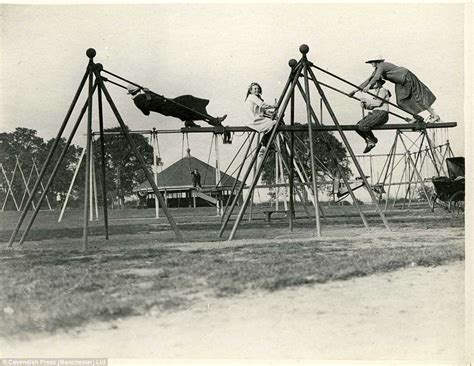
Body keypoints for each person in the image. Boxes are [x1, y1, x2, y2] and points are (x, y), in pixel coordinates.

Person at [348, 57, 441, 123]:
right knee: (401, 102)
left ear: (376, 61)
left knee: (418, 96)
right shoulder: (377, 69)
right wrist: (354, 91)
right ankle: (416, 116)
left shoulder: (382, 65)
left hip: (406, 76)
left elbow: (376, 78)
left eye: (372, 62)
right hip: (400, 83)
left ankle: (434, 115)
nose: (371, 64)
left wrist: (369, 86)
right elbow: (368, 80)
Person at [127, 84, 227, 128]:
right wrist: (148, 94)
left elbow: (146, 112)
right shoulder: (139, 99)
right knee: (189, 102)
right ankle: (213, 120)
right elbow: (147, 109)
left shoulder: (138, 99)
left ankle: (190, 122)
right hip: (166, 107)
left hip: (167, 105)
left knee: (188, 107)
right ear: (137, 90)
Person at [355, 79, 391, 153]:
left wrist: (367, 100)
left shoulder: (383, 90)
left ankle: (371, 141)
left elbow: (378, 103)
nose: (372, 85)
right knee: (357, 126)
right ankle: (371, 140)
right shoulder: (376, 92)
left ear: (378, 83)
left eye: (373, 83)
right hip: (376, 112)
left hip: (381, 113)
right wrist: (365, 104)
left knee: (362, 125)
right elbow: (372, 106)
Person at [244, 82, 278, 156]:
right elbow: (262, 105)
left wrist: (271, 113)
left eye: (258, 88)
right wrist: (273, 106)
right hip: (254, 120)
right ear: (251, 91)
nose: (257, 90)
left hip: (255, 118)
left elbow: (262, 111)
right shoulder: (252, 97)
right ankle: (264, 144)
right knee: (273, 123)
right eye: (255, 89)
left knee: (272, 124)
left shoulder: (255, 98)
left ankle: (265, 145)